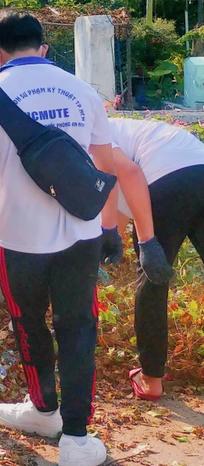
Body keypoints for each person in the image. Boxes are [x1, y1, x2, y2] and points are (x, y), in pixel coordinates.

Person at [0, 11, 116, 466]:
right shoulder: (83, 91)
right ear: (43, 49)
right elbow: (106, 167)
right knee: (79, 329)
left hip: (19, 240)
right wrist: (113, 227)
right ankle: (77, 439)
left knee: (29, 324)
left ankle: (45, 408)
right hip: (82, 235)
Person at [107, 117, 202, 401]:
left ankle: (151, 378)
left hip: (161, 178)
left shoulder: (87, 130)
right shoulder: (126, 128)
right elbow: (124, 202)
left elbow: (129, 176)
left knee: (153, 278)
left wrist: (146, 242)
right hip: (199, 167)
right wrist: (115, 237)